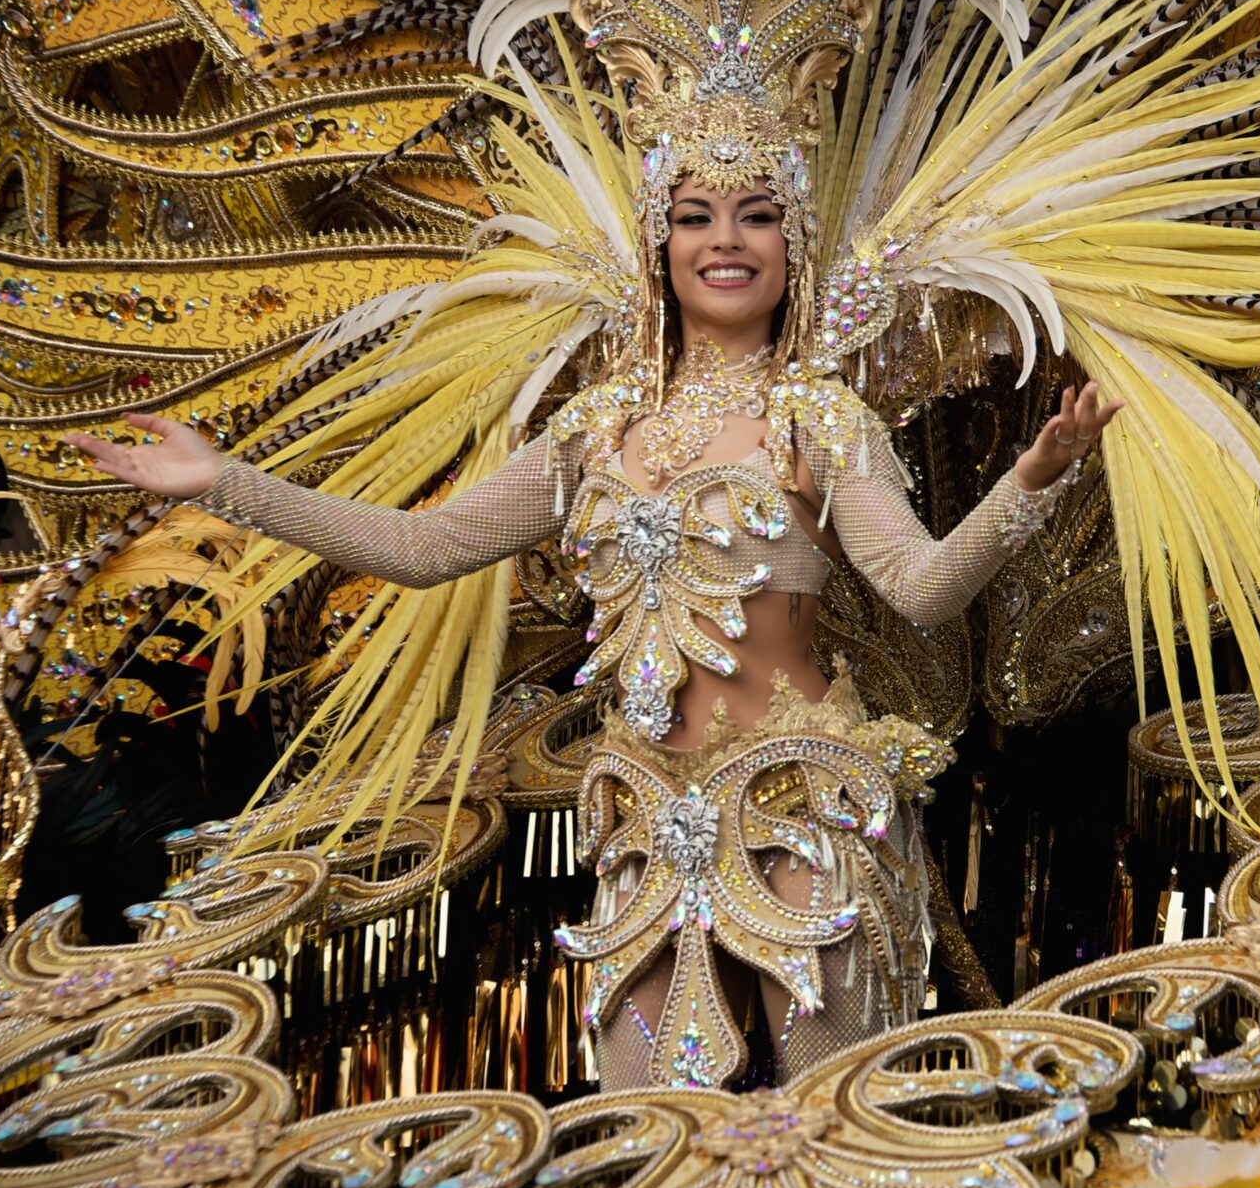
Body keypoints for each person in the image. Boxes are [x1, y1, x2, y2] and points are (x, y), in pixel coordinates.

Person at [64, 172, 1122, 1089]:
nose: (724, 240)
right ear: (658, 245)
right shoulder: (592, 430)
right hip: (644, 826)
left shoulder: (822, 421)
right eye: (696, 215)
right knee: (644, 1137)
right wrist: (226, 483)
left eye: (755, 216)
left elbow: (925, 588)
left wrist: (1033, 478)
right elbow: (425, 549)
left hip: (808, 808)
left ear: (792, 246)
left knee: (828, 1136)